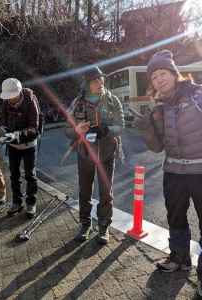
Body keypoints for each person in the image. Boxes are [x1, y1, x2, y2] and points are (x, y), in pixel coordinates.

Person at [133, 50, 202, 292]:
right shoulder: (158, 109)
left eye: (163, 73)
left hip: (200, 170)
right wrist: (145, 129)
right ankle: (179, 259)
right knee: (175, 217)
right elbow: (156, 147)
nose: (159, 80)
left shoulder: (197, 95)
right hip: (173, 172)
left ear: (174, 74)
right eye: (154, 77)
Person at [65, 66, 124, 244]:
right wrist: (76, 129)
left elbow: (121, 125)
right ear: (87, 84)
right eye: (95, 80)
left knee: (106, 192)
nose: (100, 83)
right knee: (84, 191)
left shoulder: (113, 101)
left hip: (107, 153)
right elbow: (67, 130)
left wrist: (106, 129)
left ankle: (104, 226)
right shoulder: (77, 103)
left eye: (101, 79)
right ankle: (85, 224)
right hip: (85, 154)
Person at [0, 78, 40, 218]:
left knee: (30, 175)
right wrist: (2, 131)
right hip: (12, 146)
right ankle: (17, 202)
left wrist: (14, 136)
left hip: (29, 145)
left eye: (12, 96)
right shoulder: (5, 103)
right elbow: (3, 122)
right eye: (7, 97)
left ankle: (31, 203)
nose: (10, 99)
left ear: (19, 92)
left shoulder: (30, 101)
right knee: (14, 175)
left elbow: (34, 128)